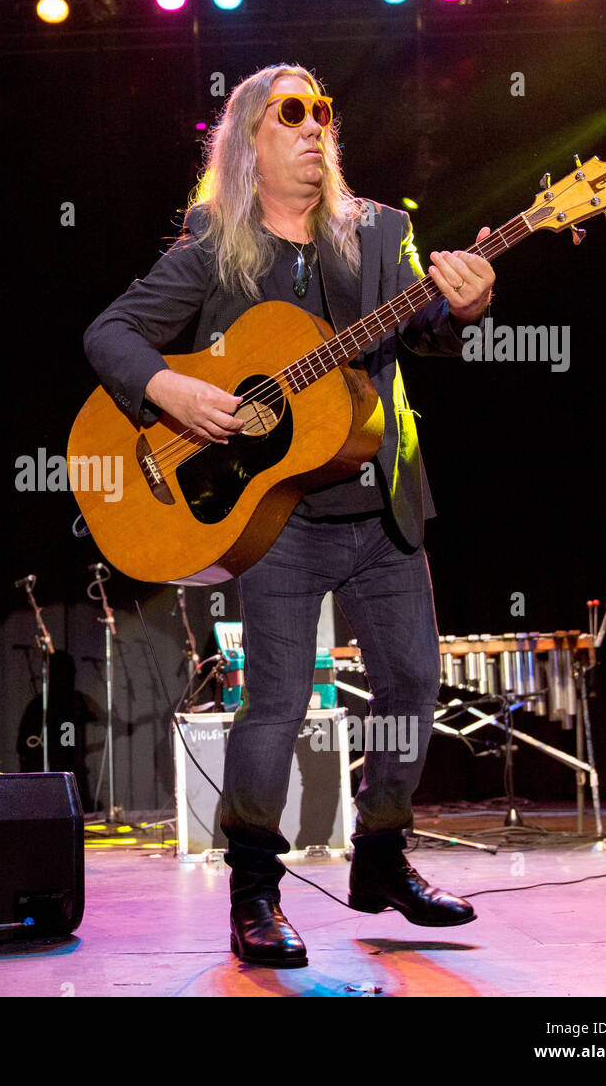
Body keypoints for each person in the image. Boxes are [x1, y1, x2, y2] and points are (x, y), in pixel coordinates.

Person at [83, 64, 495, 967]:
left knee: (413, 686)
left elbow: (425, 324)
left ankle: (382, 854)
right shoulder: (211, 249)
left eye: (324, 113)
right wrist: (170, 390)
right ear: (248, 143)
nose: (316, 128)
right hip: (276, 517)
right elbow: (108, 333)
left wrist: (462, 305)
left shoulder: (382, 231)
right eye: (291, 113)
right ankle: (255, 891)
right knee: (273, 703)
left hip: (380, 504)